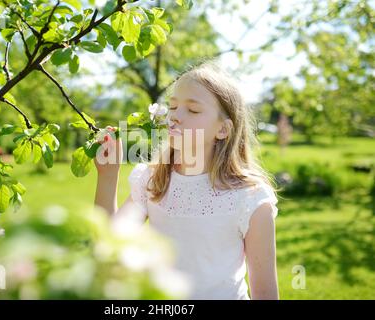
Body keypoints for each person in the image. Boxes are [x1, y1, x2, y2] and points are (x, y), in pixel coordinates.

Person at [94, 60, 279, 300]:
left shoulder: (250, 198)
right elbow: (109, 245)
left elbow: (265, 293)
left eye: (192, 110)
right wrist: (108, 178)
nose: (175, 117)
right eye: (172, 107)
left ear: (222, 130)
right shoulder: (153, 180)